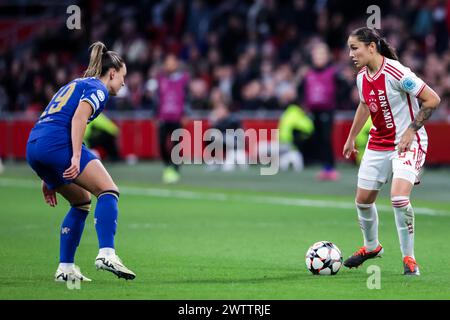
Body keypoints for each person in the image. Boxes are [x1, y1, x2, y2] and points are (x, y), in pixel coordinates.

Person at [26, 42, 136, 282]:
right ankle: (107, 254)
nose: (124, 83)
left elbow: (53, 115)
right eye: (123, 77)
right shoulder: (99, 88)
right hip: (57, 143)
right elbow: (79, 118)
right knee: (108, 190)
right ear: (113, 72)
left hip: (35, 145)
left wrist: (48, 175)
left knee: (81, 200)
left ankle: (65, 269)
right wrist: (75, 155)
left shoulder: (76, 83)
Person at [343, 27, 441, 275]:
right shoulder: (362, 77)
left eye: (355, 48)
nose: (351, 54)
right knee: (362, 201)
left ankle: (409, 259)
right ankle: (371, 247)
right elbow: (365, 105)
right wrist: (352, 136)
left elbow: (433, 99)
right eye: (349, 49)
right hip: (378, 143)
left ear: (371, 47)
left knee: (398, 198)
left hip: (408, 142)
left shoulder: (397, 72)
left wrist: (410, 131)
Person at [301, 42, 341, 181]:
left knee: (326, 139)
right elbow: (302, 91)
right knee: (318, 139)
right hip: (313, 111)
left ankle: (330, 168)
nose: (319, 57)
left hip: (327, 110)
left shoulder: (333, 72)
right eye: (317, 54)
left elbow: (343, 89)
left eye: (322, 54)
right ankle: (325, 167)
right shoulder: (308, 73)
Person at [155, 54, 190, 183]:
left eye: (172, 62)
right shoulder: (160, 79)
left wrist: (185, 114)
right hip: (163, 117)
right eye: (167, 62)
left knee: (177, 145)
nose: (169, 65)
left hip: (177, 117)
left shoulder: (183, 79)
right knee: (161, 143)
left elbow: (187, 97)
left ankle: (175, 169)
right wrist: (156, 114)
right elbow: (157, 98)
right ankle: (167, 166)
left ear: (176, 64)